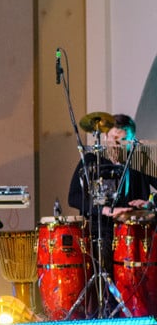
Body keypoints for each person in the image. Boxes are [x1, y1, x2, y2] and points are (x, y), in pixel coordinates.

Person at [67, 113, 156, 278]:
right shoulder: (92, 159)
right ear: (106, 135)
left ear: (131, 141)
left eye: (122, 141)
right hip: (100, 231)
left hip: (135, 233)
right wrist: (105, 210)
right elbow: (73, 197)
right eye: (113, 138)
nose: (116, 145)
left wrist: (150, 203)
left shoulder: (140, 161)